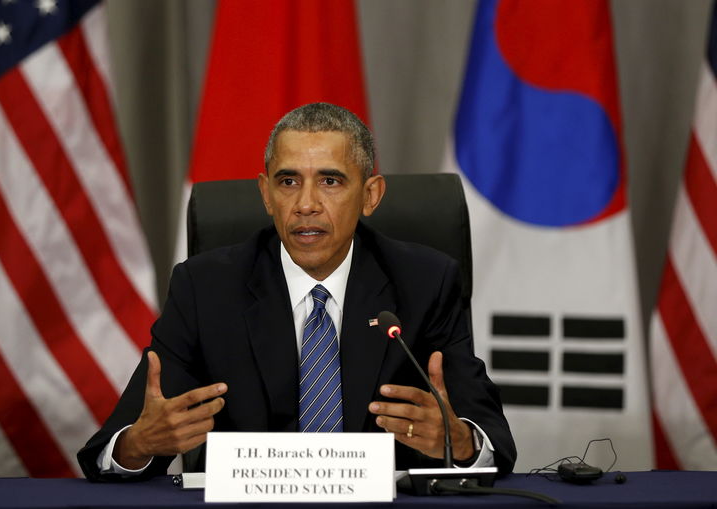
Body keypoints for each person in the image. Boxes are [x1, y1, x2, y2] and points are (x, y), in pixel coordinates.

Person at [77, 102, 516, 481]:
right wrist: (138, 444)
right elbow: (110, 451)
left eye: (330, 181)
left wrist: (458, 442)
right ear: (266, 194)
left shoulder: (425, 282)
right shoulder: (205, 288)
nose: (305, 204)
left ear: (370, 195)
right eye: (288, 182)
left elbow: (493, 444)